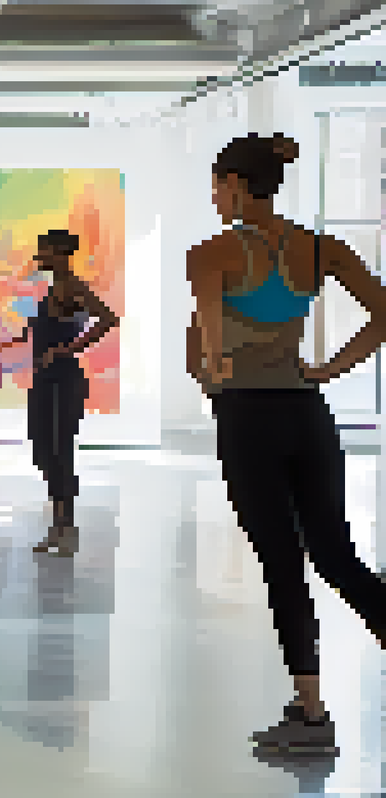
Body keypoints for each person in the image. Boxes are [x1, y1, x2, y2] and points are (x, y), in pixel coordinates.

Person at [188, 133, 386, 753]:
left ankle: (310, 713)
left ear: (239, 185)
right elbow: (383, 313)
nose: (216, 196)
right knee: (337, 555)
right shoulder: (322, 249)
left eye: (219, 184)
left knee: (282, 560)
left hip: (248, 417)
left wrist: (211, 368)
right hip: (308, 412)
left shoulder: (211, 255)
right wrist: (328, 370)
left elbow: (211, 357)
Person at [0, 230, 117, 556]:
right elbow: (42, 330)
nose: (40, 257)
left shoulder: (73, 286)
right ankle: (59, 525)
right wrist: (8, 344)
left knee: (59, 451)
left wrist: (66, 350)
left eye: (45, 251)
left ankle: (66, 527)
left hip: (63, 378)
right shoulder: (54, 289)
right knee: (43, 446)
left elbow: (107, 319)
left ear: (61, 253)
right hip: (45, 378)